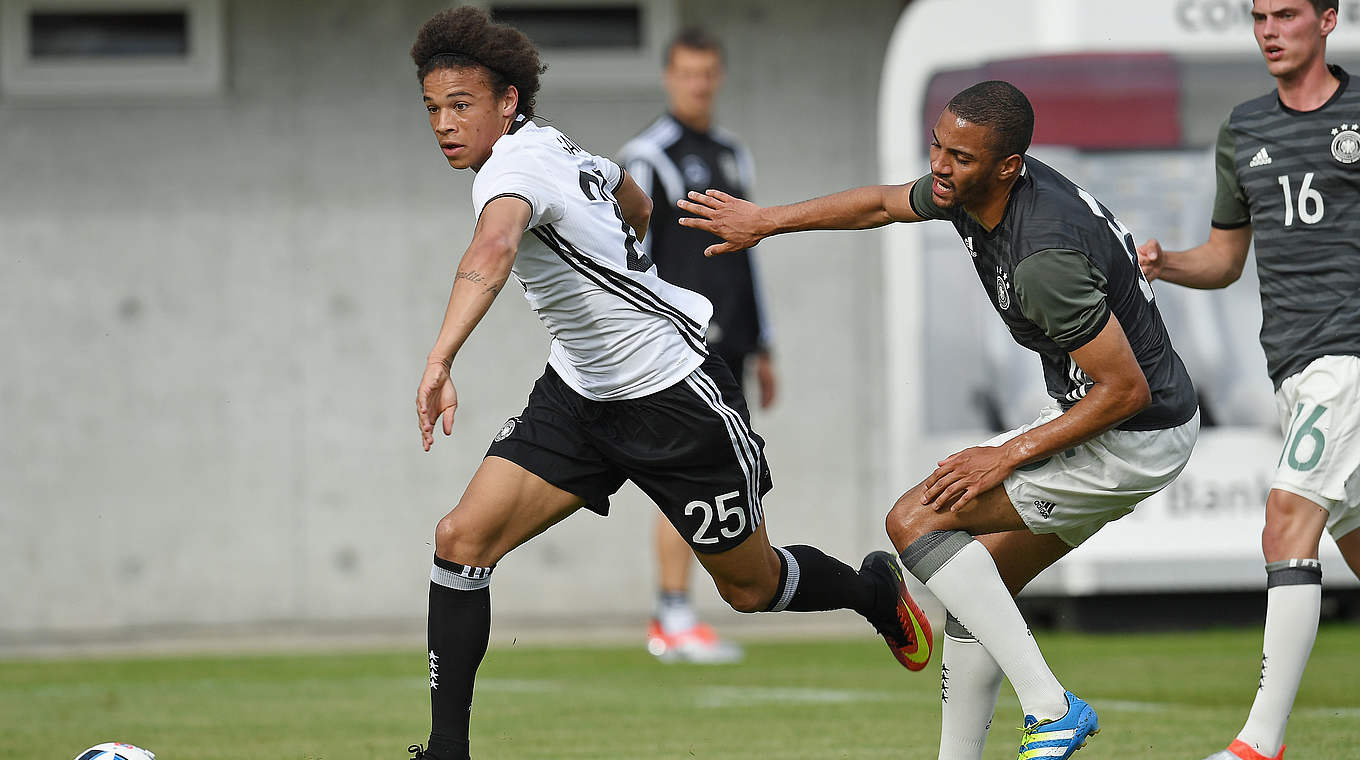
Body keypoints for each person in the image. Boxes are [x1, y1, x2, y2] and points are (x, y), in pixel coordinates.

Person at [404, 8, 931, 760]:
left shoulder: (514, 169)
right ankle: (445, 749)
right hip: (580, 395)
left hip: (673, 400)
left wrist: (439, 359)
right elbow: (634, 199)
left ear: (507, 100)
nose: (443, 124)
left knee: (750, 588)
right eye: (432, 109)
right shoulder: (551, 144)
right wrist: (626, 268)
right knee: (461, 540)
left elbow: (493, 249)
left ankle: (871, 592)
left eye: (460, 105)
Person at [679, 80, 1201, 760]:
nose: (939, 166)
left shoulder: (1043, 256)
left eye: (959, 155)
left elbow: (1124, 390)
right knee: (980, 589)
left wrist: (1005, 455)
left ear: (1007, 165)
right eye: (937, 145)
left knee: (915, 520)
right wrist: (766, 221)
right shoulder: (976, 190)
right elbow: (878, 204)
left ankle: (1052, 708)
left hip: (1132, 433)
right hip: (1120, 420)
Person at [1136, 2, 1360, 759]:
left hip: (1350, 361)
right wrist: (1167, 265)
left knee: (1285, 521)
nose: (1269, 29)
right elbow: (1226, 260)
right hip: (1293, 368)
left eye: (1287, 14)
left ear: (1328, 20)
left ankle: (1259, 746)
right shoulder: (1244, 129)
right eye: (1259, 16)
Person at [618, 27, 776, 664]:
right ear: (668, 75)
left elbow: (747, 255)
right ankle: (673, 614)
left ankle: (689, 612)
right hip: (679, 346)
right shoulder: (646, 155)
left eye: (708, 72)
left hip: (734, 344)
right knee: (682, 474)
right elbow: (627, 255)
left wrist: (764, 344)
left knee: (728, 475)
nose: (698, 83)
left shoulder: (735, 154)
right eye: (687, 72)